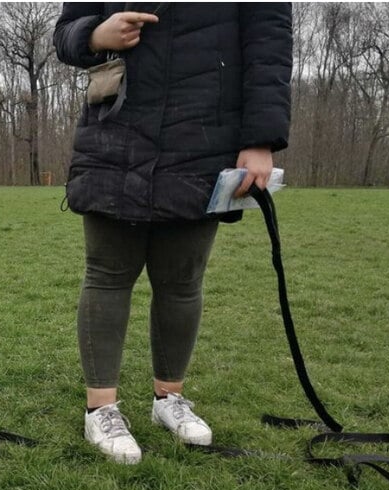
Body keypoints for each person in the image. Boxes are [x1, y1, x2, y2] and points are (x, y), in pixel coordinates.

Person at [53, 3, 292, 463]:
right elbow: (65, 34)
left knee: (182, 281)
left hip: (203, 138)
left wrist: (261, 138)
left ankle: (170, 400)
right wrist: (95, 35)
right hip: (114, 134)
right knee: (107, 273)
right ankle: (100, 409)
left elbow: (269, 42)